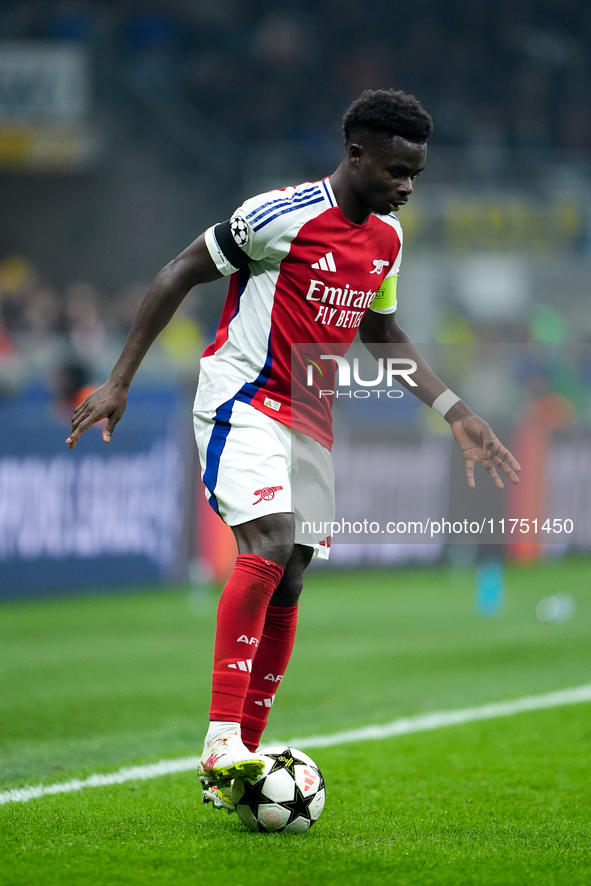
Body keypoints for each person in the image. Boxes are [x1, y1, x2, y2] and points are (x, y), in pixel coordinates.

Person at [66, 88, 520, 811]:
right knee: (271, 541)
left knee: (293, 575)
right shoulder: (279, 214)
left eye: (416, 176)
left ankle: (240, 756)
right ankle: (221, 740)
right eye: (397, 171)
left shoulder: (388, 240)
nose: (406, 187)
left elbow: (381, 333)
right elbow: (179, 269)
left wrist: (453, 410)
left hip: (310, 412)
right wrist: (120, 380)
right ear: (356, 154)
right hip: (242, 395)